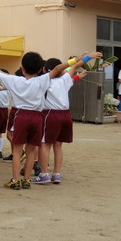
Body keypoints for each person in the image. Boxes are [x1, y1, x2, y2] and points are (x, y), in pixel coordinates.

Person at [0, 50, 101, 190]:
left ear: (22, 67)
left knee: (17, 150)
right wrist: (81, 59)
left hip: (22, 115)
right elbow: (62, 69)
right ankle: (26, 180)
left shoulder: (15, 80)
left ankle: (16, 180)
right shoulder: (43, 80)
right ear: (40, 69)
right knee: (31, 151)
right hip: (37, 117)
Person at [31, 57, 87, 185]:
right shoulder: (64, 79)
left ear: (44, 69)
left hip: (51, 114)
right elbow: (75, 66)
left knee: (45, 144)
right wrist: (88, 56)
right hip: (66, 115)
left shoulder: (44, 80)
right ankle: (56, 174)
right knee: (58, 146)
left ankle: (44, 173)